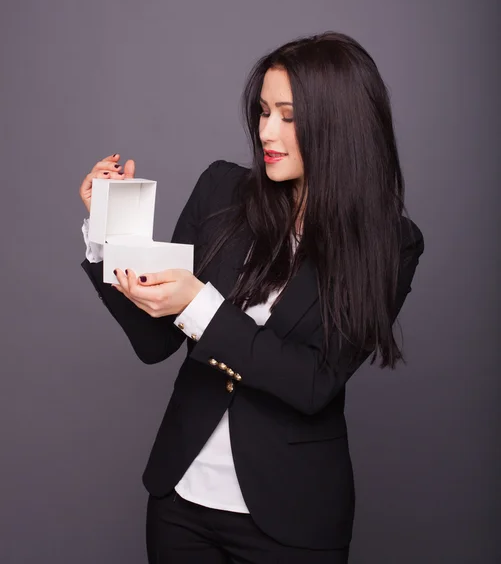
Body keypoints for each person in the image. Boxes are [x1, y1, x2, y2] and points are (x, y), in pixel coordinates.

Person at [78, 31, 424, 564]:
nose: (267, 131)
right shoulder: (221, 190)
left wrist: (201, 305)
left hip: (292, 521)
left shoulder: (390, 242)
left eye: (288, 116)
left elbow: (313, 382)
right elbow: (154, 342)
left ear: (339, 124)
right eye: (263, 112)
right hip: (181, 504)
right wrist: (106, 233)